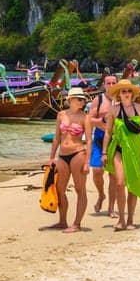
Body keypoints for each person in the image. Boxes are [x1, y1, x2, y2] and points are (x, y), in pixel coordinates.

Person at [101, 79, 140, 231]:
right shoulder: (114, 110)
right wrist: (104, 152)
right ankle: (121, 219)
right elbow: (108, 133)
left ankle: (130, 219)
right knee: (120, 183)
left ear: (132, 93)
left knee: (133, 187)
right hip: (118, 150)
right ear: (119, 94)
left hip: (136, 151)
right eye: (123, 91)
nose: (126, 94)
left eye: (129, 91)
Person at [46, 89, 91, 233]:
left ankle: (77, 224)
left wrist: (87, 162)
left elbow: (89, 140)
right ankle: (62, 221)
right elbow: (56, 138)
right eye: (79, 99)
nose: (82, 101)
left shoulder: (85, 117)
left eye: (83, 99)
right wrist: (52, 157)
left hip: (78, 153)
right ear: (70, 99)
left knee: (80, 189)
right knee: (59, 190)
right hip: (62, 155)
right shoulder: (61, 115)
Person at [86, 75, 117, 217]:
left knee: (114, 175)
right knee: (97, 171)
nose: (111, 84)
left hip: (116, 138)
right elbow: (88, 119)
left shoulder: (122, 99)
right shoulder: (98, 100)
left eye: (113, 82)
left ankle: (111, 208)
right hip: (100, 137)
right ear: (104, 84)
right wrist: (100, 120)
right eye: (108, 82)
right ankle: (101, 195)